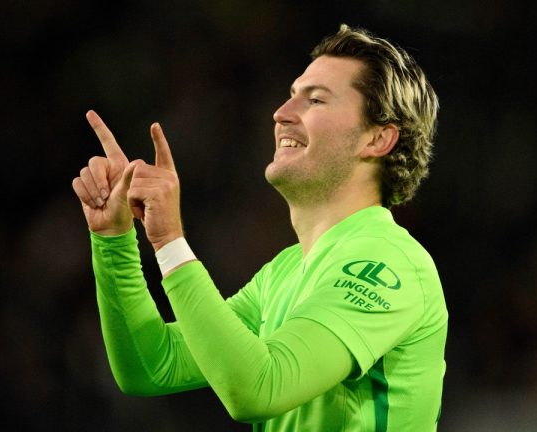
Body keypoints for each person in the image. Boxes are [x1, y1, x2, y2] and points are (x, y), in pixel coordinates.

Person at [72, 24, 447, 432]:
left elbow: (259, 389)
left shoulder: (389, 265)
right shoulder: (284, 271)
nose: (282, 113)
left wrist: (169, 241)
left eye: (315, 100)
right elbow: (152, 365)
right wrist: (114, 239)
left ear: (377, 139)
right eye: (291, 96)